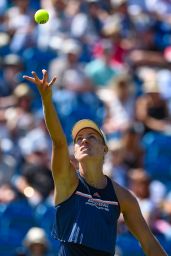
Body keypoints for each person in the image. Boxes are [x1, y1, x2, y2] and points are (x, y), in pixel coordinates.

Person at [23, 69, 168, 256]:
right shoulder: (67, 180)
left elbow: (148, 243)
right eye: (79, 139)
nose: (84, 140)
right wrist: (46, 100)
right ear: (74, 151)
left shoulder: (123, 197)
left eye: (92, 137)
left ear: (105, 149)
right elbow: (58, 142)